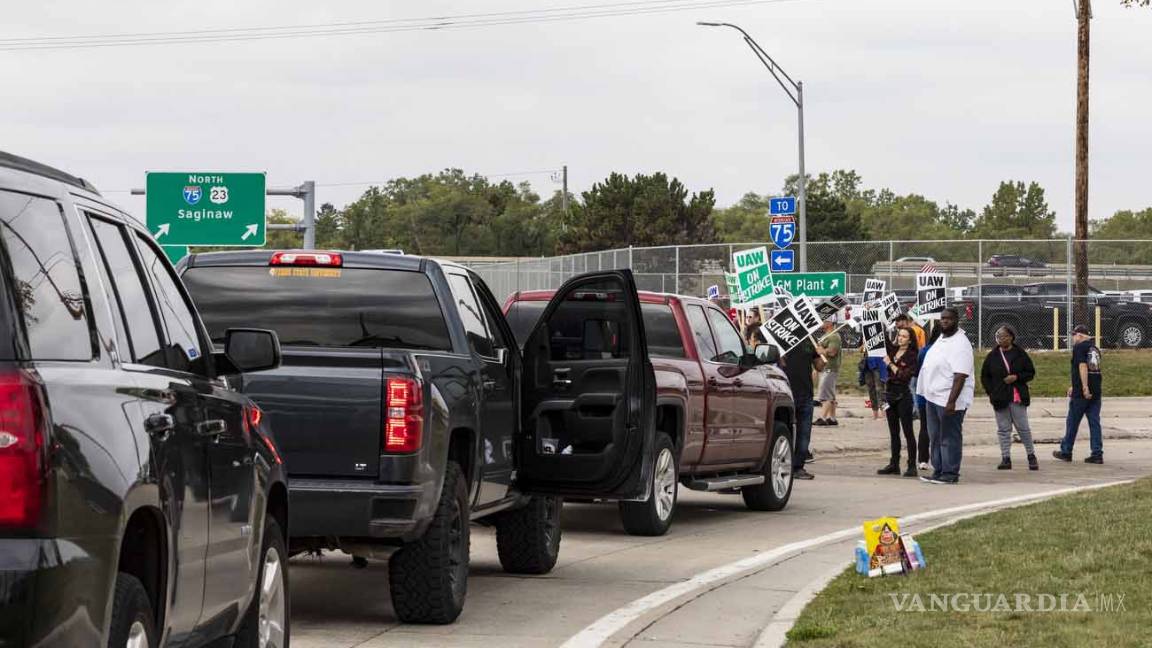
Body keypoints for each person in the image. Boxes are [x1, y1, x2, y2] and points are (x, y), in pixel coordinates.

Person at [915, 307, 974, 485]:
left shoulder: (961, 343)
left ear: (956, 320)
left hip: (948, 399)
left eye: (948, 319)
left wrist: (951, 402)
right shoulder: (942, 338)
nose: (944, 321)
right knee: (935, 436)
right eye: (942, 319)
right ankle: (938, 470)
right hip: (932, 397)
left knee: (949, 437)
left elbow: (960, 375)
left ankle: (950, 473)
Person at [980, 325, 1039, 471]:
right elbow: (985, 376)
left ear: (1011, 337)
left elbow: (1030, 372)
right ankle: (1005, 458)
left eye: (1004, 336)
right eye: (999, 336)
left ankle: (1031, 456)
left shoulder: (1020, 354)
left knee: (1023, 428)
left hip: (1017, 396)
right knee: (1003, 429)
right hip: (1000, 397)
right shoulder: (992, 356)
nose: (1001, 339)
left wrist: (1017, 377)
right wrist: (991, 393)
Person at [1054, 324, 1104, 464]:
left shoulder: (1079, 347)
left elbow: (1082, 366)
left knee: (1072, 421)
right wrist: (1075, 385)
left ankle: (1066, 451)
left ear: (1080, 336)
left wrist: (1083, 387)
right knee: (1094, 422)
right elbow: (1093, 370)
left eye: (1074, 335)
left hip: (1082, 393)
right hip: (1096, 390)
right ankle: (1097, 453)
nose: (1073, 338)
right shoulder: (1094, 348)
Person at [781, 337, 825, 480]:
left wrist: (820, 354)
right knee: (787, 432)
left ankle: (798, 467)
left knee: (804, 434)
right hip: (786, 393)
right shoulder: (781, 338)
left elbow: (819, 367)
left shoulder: (809, 340)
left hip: (806, 394)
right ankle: (783, 465)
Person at [878, 328, 920, 477]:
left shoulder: (912, 356)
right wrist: (876, 315)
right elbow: (881, 336)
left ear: (910, 339)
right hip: (890, 393)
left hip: (903, 395)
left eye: (904, 336)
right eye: (899, 335)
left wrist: (890, 364)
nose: (900, 338)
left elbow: (904, 375)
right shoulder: (893, 350)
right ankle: (894, 463)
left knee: (908, 431)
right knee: (893, 432)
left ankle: (912, 465)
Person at [915, 322, 940, 471]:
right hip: (930, 395)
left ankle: (925, 459)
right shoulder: (928, 351)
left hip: (928, 395)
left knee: (927, 427)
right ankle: (929, 458)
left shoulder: (925, 351)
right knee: (932, 428)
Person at [814, 320, 843, 426]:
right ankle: (832, 418)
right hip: (825, 368)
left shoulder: (834, 336)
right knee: (830, 394)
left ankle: (823, 418)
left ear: (829, 323)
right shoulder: (826, 336)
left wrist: (823, 351)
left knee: (825, 394)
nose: (821, 323)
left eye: (823, 321)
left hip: (830, 368)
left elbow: (833, 351)